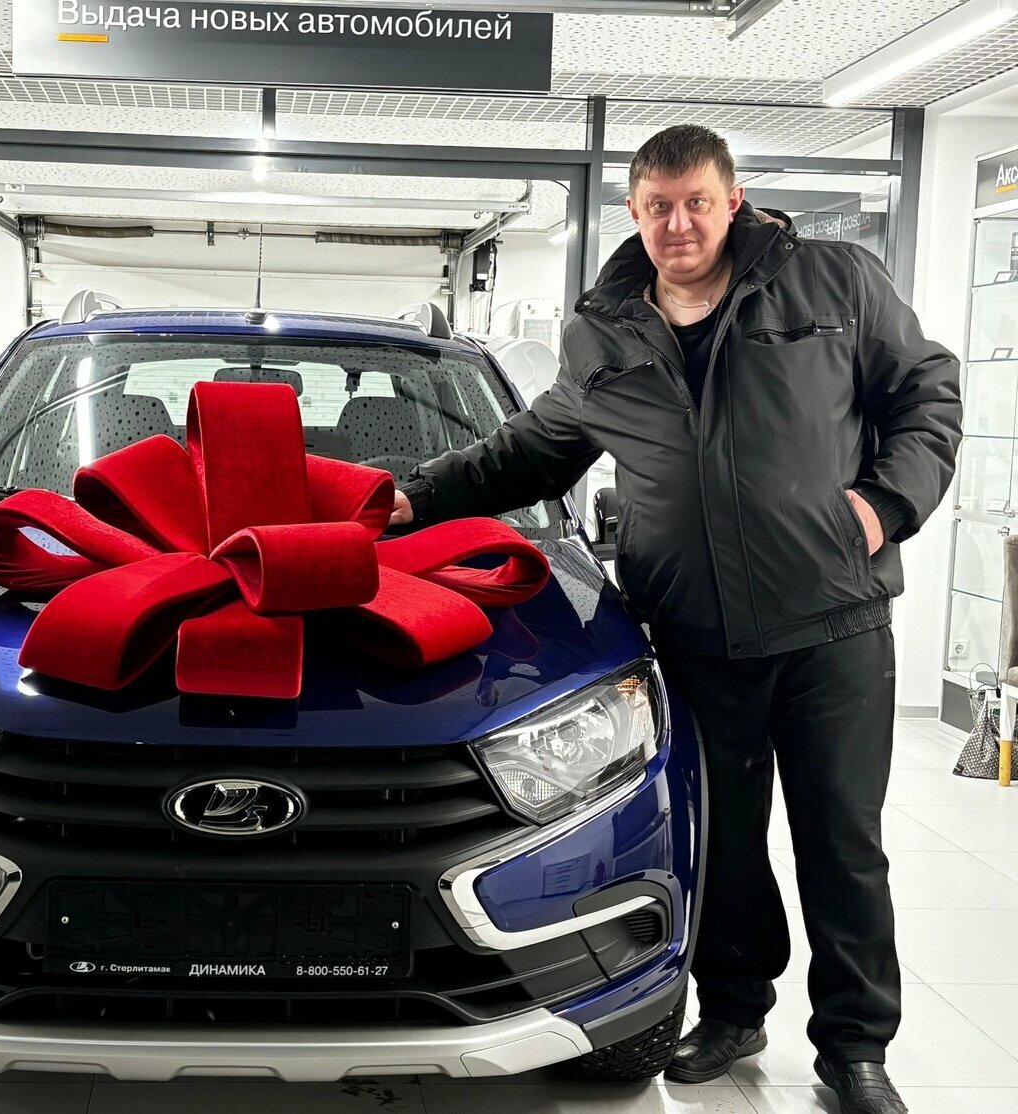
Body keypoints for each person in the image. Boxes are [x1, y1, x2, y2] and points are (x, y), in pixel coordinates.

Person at [391, 125, 962, 1114]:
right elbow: (528, 450)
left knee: (841, 844)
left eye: (696, 201)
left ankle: (854, 1049)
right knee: (723, 844)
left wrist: (881, 507)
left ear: (732, 200)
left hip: (833, 625)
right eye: (658, 206)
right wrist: (410, 500)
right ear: (633, 211)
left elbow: (926, 394)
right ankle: (734, 1010)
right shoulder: (606, 330)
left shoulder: (832, 282)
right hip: (693, 636)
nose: (678, 224)